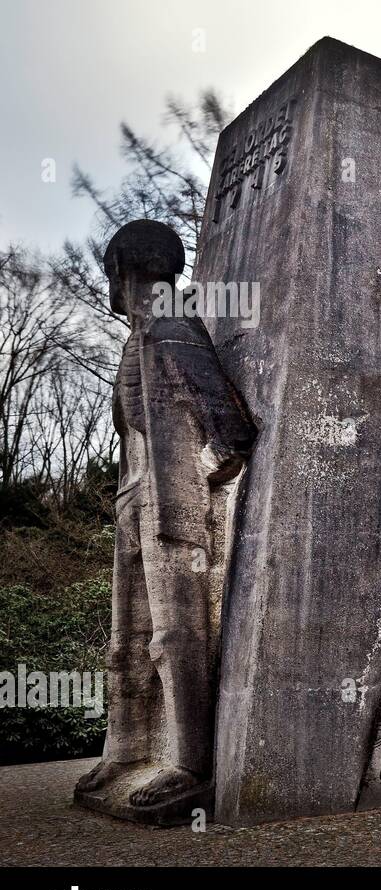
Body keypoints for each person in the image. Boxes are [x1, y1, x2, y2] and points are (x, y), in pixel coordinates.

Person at [77, 220, 257, 811]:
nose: (108, 283)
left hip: (172, 510)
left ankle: (189, 764)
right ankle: (127, 751)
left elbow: (231, 435)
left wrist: (186, 482)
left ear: (126, 269)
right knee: (125, 641)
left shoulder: (176, 328)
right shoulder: (140, 338)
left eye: (110, 271)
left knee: (176, 637)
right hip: (130, 502)